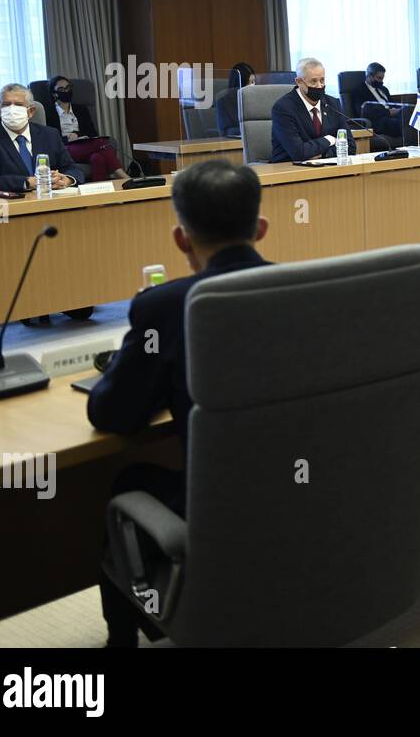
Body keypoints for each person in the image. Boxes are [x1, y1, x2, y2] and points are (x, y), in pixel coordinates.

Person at [88, 159, 270, 647]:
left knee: (129, 479)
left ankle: (123, 639)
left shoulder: (163, 306)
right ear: (261, 229)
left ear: (181, 238)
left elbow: (114, 416)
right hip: (306, 492)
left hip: (220, 512)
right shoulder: (308, 288)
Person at [0, 82, 84, 193]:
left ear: (31, 111)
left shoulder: (50, 135)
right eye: (6, 105)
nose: (12, 110)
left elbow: (72, 168)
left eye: (18, 105)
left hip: (50, 201)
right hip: (10, 207)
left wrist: (66, 179)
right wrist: (28, 182)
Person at [270, 56, 357, 163]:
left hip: (325, 168)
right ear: (299, 82)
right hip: (289, 170)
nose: (319, 86)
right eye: (313, 81)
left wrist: (323, 154)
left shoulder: (333, 104)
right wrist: (329, 140)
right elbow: (299, 153)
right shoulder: (283, 108)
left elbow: (350, 147)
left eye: (322, 80)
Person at [42, 75, 129, 182]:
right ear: (54, 94)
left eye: (68, 87)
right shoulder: (48, 112)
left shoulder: (81, 109)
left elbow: (92, 132)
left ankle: (99, 194)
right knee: (103, 143)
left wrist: (78, 135)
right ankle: (124, 176)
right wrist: (67, 138)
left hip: (84, 145)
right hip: (64, 148)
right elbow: (49, 138)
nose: (66, 91)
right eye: (61, 89)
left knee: (98, 158)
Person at [346, 62, 401, 151]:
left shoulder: (384, 89)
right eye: (379, 78)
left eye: (382, 78)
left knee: (408, 118)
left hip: (392, 117)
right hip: (376, 121)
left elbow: (392, 104)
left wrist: (398, 110)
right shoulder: (359, 91)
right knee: (398, 124)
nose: (381, 81)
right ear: (369, 76)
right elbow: (364, 110)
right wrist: (388, 112)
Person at [214, 62, 255, 139]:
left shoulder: (257, 99)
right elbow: (226, 130)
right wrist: (252, 130)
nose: (252, 86)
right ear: (239, 83)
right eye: (249, 82)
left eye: (253, 82)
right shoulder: (223, 101)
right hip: (232, 142)